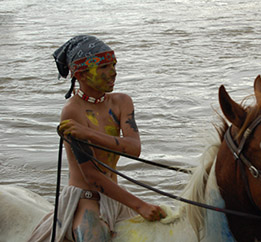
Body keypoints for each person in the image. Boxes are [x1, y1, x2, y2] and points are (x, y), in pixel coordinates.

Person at [28, 35, 166, 242]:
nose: (113, 72)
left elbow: (134, 148)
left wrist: (89, 134)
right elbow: (91, 175)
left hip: (115, 196)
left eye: (113, 64)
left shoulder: (122, 102)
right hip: (86, 200)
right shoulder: (72, 112)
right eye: (103, 67)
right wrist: (139, 205)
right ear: (81, 74)